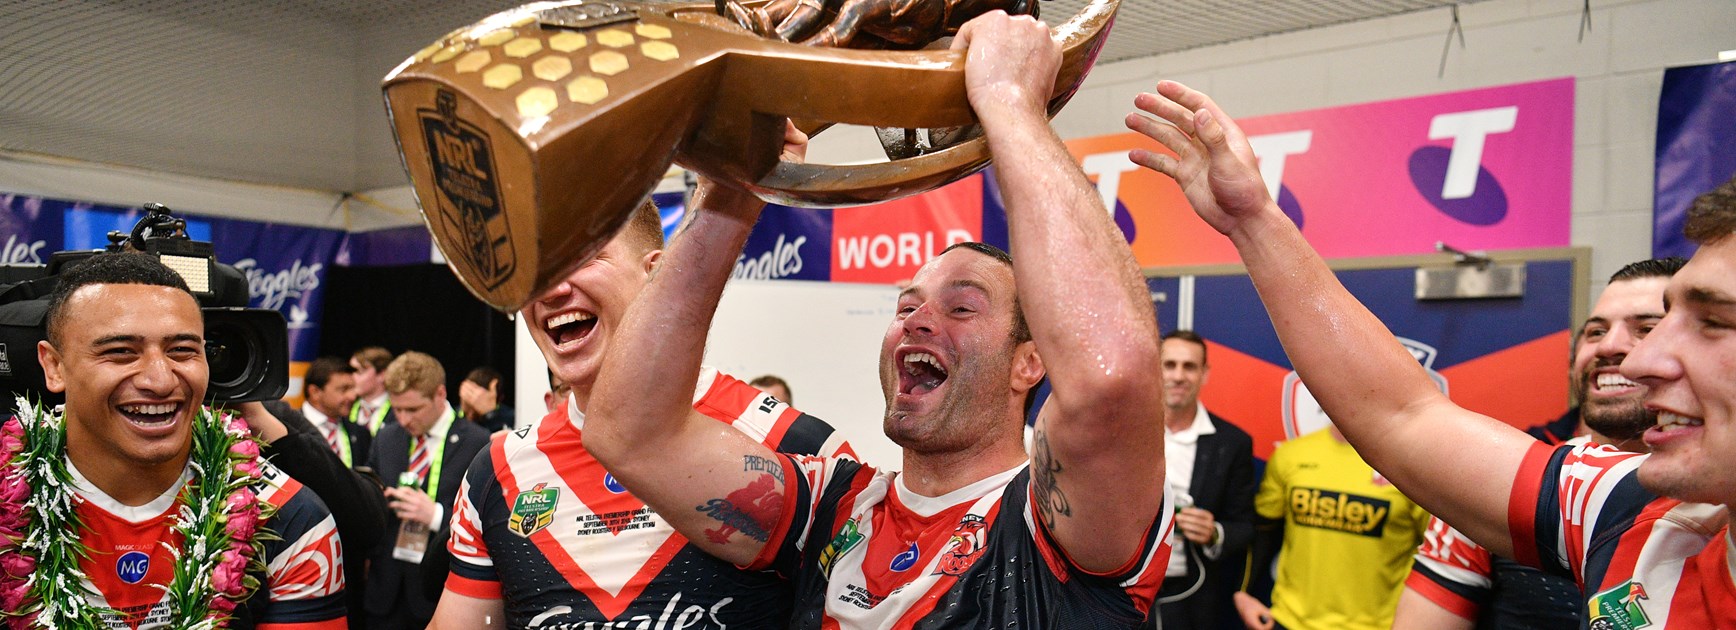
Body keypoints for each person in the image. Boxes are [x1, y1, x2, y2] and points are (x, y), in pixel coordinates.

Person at [582, 13, 1171, 627]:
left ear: (1030, 361)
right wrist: (732, 189)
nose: (918, 321)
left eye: (962, 307)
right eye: (906, 305)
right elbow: (628, 431)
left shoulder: (1054, 523)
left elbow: (1113, 376)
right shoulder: (831, 509)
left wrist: (1010, 103)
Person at [1128, 80, 1736, 627]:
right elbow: (1403, 417)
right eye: (1601, 330)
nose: (1638, 362)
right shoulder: (1626, 507)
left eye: (1712, 323)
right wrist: (1255, 221)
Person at [429, 173, 853, 626]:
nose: (552, 291)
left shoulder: (790, 440)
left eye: (585, 258)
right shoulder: (498, 468)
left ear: (658, 276)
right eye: (538, 271)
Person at [22, 252, 345, 628]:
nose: (160, 381)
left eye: (182, 350)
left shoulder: (287, 515)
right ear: (54, 366)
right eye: (120, 352)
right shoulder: (8, 496)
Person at [1393, 257, 1683, 630]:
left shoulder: (1715, 501)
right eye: (1595, 332)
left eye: (1646, 329)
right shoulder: (1501, 479)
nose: (1609, 346)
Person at [1231, 422, 1430, 630]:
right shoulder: (1293, 454)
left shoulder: (1411, 466)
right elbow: (1261, 532)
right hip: (1289, 621)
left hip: (1379, 624)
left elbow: (1438, 556)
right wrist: (1243, 593)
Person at [364, 351, 490, 630]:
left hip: (441, 590)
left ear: (440, 394)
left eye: (413, 409)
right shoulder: (387, 437)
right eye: (397, 409)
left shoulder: (478, 442)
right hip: (385, 593)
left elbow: (487, 523)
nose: (404, 419)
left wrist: (435, 515)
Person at [1149, 330, 1255, 630]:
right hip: (1121, 592)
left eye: (1189, 366)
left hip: (1192, 598)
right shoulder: (1123, 433)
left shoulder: (1232, 443)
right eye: (1169, 365)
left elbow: (1245, 526)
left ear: (1204, 374)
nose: (1179, 376)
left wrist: (1214, 533)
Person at [302, 355, 371, 468]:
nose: (353, 396)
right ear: (315, 392)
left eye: (353, 388)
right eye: (344, 389)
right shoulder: (287, 428)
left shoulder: (360, 434)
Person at [350, 346, 393, 434]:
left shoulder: (398, 411)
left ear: (382, 374)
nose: (352, 377)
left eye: (359, 371)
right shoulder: (346, 409)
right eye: (351, 372)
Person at [459, 366, 515, 433]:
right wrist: (466, 415)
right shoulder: (453, 414)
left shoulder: (510, 417)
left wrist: (489, 415)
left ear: (500, 398)